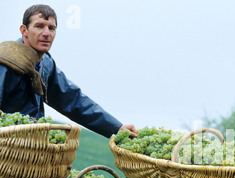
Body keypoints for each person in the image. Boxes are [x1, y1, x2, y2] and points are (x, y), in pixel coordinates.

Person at [0, 4, 137, 138]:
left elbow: (73, 101)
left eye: (51, 28)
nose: (46, 33)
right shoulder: (6, 61)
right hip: (7, 152)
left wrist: (116, 127)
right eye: (39, 26)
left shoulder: (46, 63)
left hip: (34, 149)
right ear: (24, 30)